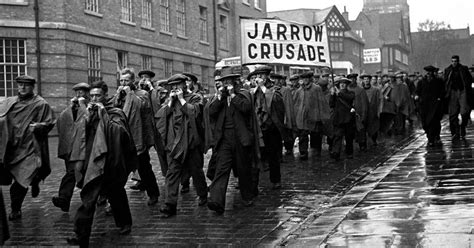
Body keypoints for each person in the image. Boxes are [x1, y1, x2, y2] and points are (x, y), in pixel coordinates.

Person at [66, 80, 137, 247]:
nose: (94, 99)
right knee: (89, 198)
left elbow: (120, 133)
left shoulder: (115, 112)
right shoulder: (88, 113)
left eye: (98, 95)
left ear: (105, 96)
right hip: (93, 162)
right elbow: (78, 134)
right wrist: (85, 117)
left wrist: (104, 115)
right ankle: (81, 235)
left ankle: (125, 222)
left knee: (116, 194)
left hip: (111, 161)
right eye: (92, 96)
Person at [0, 75, 55, 220]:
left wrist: (39, 126)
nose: (22, 88)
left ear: (32, 87)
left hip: (30, 147)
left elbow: (50, 122)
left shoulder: (40, 104)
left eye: (26, 85)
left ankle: (16, 209)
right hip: (12, 147)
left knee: (21, 180)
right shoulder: (9, 102)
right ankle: (35, 180)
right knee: (13, 174)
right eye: (20, 85)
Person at [156, 74, 208, 217]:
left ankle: (203, 193)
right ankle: (169, 205)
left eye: (178, 85)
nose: (175, 89)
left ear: (185, 85)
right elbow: (160, 117)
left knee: (196, 171)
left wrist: (181, 99)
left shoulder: (195, 97)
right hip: (175, 144)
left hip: (190, 142)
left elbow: (195, 112)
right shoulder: (170, 100)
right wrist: (171, 102)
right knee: (172, 173)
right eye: (172, 86)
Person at [207, 73, 257, 214]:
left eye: (229, 82)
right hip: (224, 139)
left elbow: (246, 108)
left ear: (235, 83)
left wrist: (233, 95)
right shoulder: (220, 98)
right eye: (225, 83)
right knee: (221, 168)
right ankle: (216, 201)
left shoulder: (242, 95)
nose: (227, 85)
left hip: (240, 137)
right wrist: (221, 97)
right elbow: (211, 112)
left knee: (243, 168)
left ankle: (247, 196)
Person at [113, 68, 160, 206]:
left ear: (133, 81)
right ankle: (114, 202)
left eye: (126, 80)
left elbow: (142, 106)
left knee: (144, 168)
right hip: (123, 136)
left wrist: (129, 94)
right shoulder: (119, 94)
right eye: (121, 80)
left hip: (139, 136)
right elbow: (114, 108)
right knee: (119, 170)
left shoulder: (142, 93)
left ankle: (153, 193)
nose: (123, 83)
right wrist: (118, 96)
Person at [53, 82, 90, 212]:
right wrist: (71, 108)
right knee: (71, 173)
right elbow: (63, 122)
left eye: (82, 92)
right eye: (77, 92)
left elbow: (89, 119)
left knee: (89, 175)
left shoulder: (91, 106)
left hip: (87, 147)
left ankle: (98, 198)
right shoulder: (71, 108)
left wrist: (82, 105)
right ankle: (64, 199)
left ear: (87, 93)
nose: (79, 94)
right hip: (73, 148)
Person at [253, 66, 285, 189]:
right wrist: (257, 88)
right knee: (256, 155)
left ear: (267, 76)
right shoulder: (254, 90)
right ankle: (253, 183)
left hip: (271, 127)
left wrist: (262, 88)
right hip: (258, 126)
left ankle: (276, 180)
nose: (258, 78)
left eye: (261, 76)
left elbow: (276, 101)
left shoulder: (273, 89)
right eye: (257, 76)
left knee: (273, 155)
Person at [293, 71, 331, 160]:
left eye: (307, 78)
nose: (305, 80)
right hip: (302, 117)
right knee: (302, 135)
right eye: (303, 78)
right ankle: (303, 153)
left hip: (314, 116)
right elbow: (296, 104)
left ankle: (316, 151)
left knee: (316, 135)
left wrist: (322, 116)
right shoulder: (299, 90)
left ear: (310, 79)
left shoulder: (316, 88)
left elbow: (321, 102)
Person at [444, 55, 473, 140]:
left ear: (458, 61)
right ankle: (455, 132)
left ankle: (462, 127)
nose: (454, 63)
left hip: (462, 91)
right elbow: (446, 81)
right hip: (452, 92)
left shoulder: (463, 69)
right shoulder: (448, 70)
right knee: (453, 114)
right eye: (452, 61)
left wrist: (467, 88)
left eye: (455, 61)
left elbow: (469, 79)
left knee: (464, 112)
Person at [415, 66, 445, 146]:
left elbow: (442, 91)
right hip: (424, 105)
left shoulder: (438, 81)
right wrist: (417, 96)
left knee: (434, 122)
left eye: (430, 72)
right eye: (427, 72)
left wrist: (439, 98)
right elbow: (418, 91)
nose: (428, 74)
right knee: (425, 122)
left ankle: (432, 138)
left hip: (434, 105)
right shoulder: (421, 82)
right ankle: (430, 136)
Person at [329, 77, 355, 161]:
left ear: (347, 85)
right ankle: (336, 152)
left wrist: (339, 93)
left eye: (344, 83)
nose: (342, 85)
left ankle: (349, 152)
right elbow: (331, 104)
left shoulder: (351, 93)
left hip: (348, 119)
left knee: (349, 137)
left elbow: (349, 98)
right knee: (337, 136)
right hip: (338, 119)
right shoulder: (336, 94)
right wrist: (332, 95)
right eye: (341, 83)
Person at [347, 73, 369, 153]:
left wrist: (363, 115)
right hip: (349, 115)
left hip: (358, 115)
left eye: (353, 79)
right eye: (350, 79)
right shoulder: (347, 90)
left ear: (356, 79)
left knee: (361, 132)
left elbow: (364, 104)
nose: (352, 80)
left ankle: (362, 146)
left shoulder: (360, 90)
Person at [361, 74, 382, 146]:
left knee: (373, 126)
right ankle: (363, 143)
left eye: (367, 79)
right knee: (363, 127)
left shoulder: (376, 90)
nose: (366, 80)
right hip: (364, 112)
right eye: (365, 79)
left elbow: (380, 100)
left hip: (373, 111)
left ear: (370, 80)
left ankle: (374, 140)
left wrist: (379, 111)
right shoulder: (361, 90)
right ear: (363, 80)